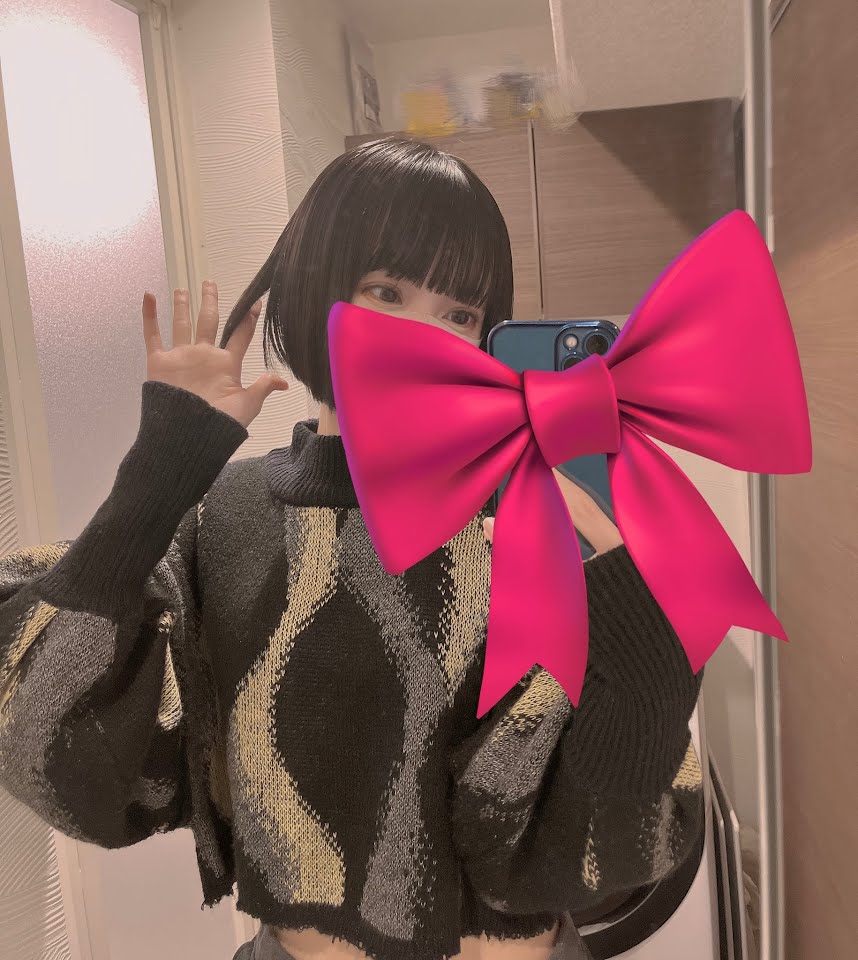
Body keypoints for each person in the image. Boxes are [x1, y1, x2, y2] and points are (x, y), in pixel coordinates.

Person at [0, 137, 703, 960]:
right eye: (385, 291)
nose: (424, 336)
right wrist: (156, 479)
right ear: (313, 292)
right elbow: (48, 748)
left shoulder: (533, 520)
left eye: (460, 314)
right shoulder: (227, 520)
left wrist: (651, 646)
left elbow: (609, 851)